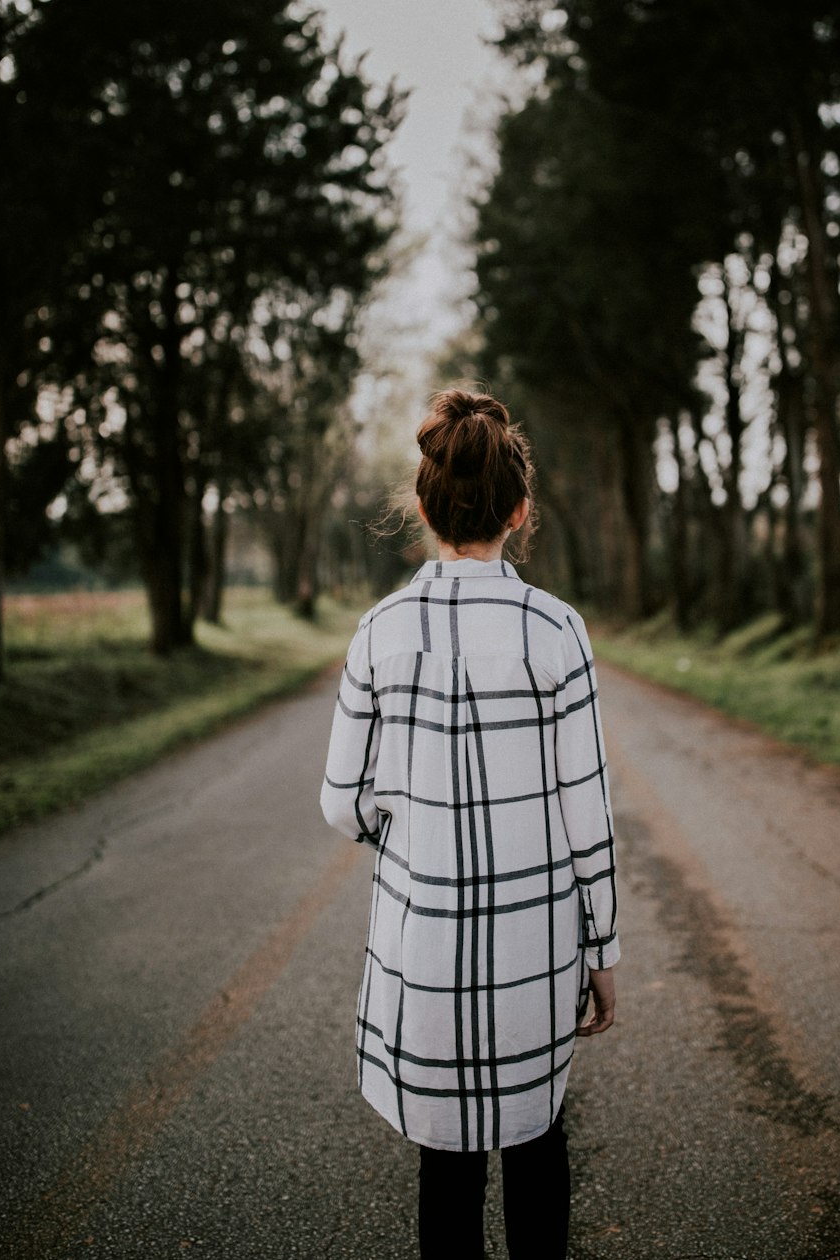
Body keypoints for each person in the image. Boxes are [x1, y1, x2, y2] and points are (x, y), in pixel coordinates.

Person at [321, 388, 619, 1259]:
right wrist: (603, 954)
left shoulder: (377, 633)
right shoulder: (558, 632)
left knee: (444, 1166)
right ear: (520, 513)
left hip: (428, 954)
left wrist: (414, 840)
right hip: (536, 951)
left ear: (422, 508)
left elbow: (342, 803)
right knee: (538, 1142)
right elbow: (586, 813)